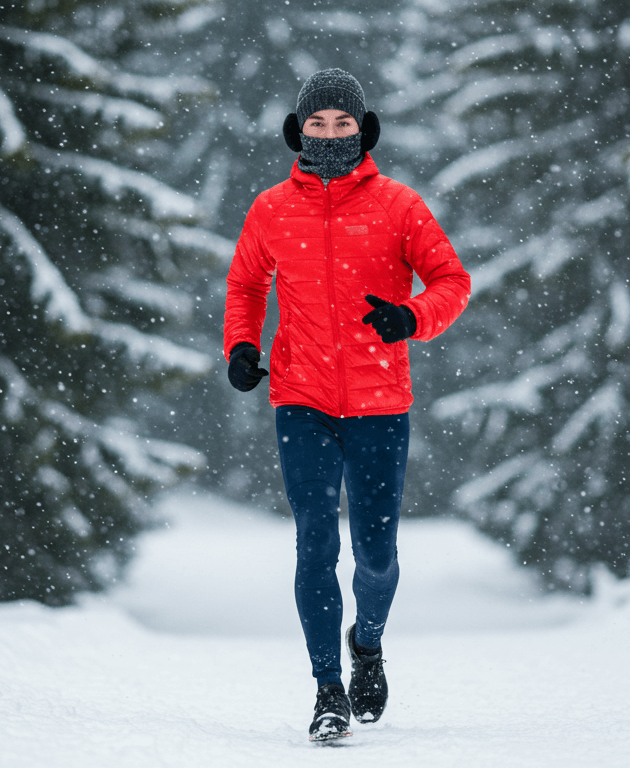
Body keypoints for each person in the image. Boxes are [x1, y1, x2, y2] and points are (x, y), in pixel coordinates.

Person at [223, 69, 470, 742]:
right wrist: (242, 347)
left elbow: (452, 279)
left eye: (342, 123)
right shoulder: (272, 208)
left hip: (380, 401)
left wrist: (412, 318)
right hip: (301, 398)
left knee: (377, 555)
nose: (330, 133)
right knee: (313, 543)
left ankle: (368, 641)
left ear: (363, 130)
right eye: (317, 122)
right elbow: (246, 283)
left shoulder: (398, 205)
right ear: (298, 129)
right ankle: (327, 689)